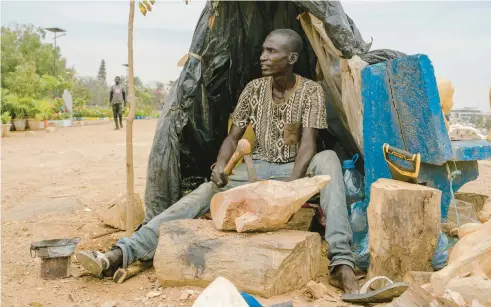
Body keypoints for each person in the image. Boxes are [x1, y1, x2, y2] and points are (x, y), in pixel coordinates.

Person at [77, 29, 359, 293]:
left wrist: (290, 188)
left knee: (329, 160)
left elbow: (308, 143)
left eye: (271, 52)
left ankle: (341, 262)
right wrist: (222, 167)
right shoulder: (253, 89)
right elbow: (233, 139)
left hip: (293, 170)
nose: (263, 56)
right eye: (263, 50)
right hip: (256, 167)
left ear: (292, 59)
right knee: (203, 192)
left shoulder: (311, 91)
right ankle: (123, 252)